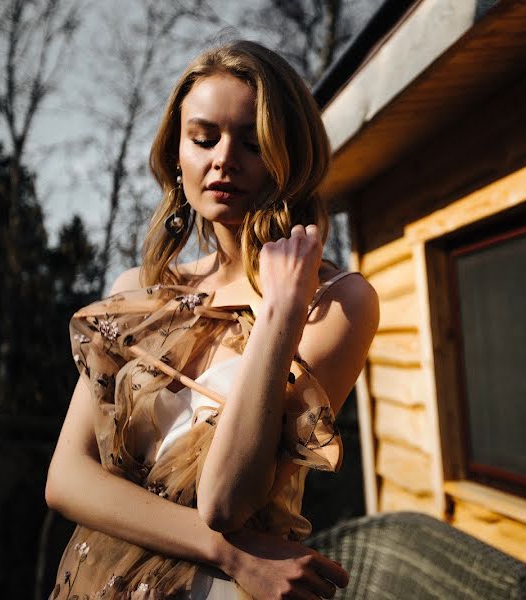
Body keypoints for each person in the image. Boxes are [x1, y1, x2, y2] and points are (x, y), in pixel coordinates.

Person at [44, 40, 379, 599]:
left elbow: (226, 498)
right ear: (178, 153)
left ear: (289, 157)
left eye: (252, 142)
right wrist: (230, 553)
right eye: (204, 138)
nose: (224, 158)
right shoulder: (139, 292)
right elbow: (67, 479)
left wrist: (278, 313)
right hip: (99, 580)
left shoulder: (338, 302)